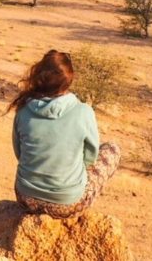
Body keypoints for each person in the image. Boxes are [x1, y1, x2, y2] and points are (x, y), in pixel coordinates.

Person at [7, 50, 121, 219]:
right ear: (69, 79)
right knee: (112, 149)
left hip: (26, 198)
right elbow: (90, 157)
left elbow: (20, 153)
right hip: (68, 204)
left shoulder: (23, 110)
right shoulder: (83, 111)